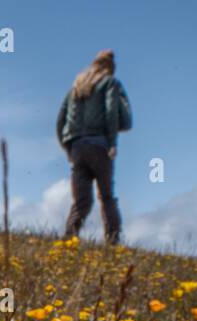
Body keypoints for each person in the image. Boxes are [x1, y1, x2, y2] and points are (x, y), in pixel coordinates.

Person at [57, 49, 132, 244]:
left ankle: (68, 238)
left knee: (81, 201)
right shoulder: (110, 83)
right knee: (106, 196)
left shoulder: (76, 87)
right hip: (99, 145)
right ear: (111, 68)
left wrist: (67, 148)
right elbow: (117, 116)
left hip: (77, 147)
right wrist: (113, 143)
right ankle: (113, 241)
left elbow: (60, 120)